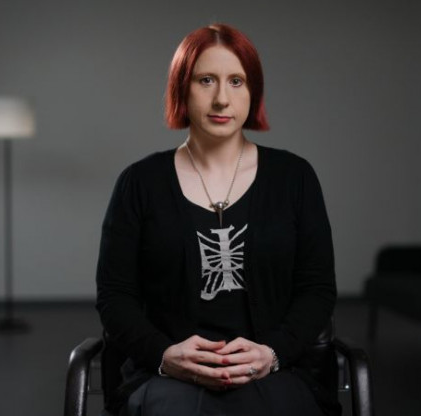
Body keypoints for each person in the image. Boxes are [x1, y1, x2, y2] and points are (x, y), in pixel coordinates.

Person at [96, 23, 337, 416]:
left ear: (253, 91)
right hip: (166, 375)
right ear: (181, 88)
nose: (222, 99)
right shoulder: (139, 183)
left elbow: (317, 289)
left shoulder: (295, 178)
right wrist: (165, 355)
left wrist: (272, 353)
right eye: (206, 80)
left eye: (236, 81)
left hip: (276, 370)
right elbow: (114, 295)